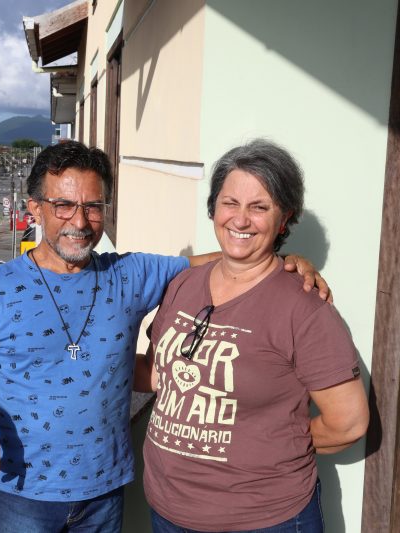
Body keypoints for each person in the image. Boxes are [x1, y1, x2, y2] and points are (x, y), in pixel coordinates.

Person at [0, 140, 326, 533]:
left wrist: (284, 261)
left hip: (105, 492)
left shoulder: (129, 274)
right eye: (63, 205)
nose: (80, 222)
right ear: (35, 209)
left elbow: (223, 260)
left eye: (93, 207)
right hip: (17, 492)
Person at [134, 139, 368, 532]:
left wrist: (270, 448)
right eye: (230, 203)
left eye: (259, 207)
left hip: (263, 519)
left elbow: (348, 423)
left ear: (284, 218)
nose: (240, 220)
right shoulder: (182, 286)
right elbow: (159, 375)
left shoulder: (304, 307)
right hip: (168, 510)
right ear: (214, 208)